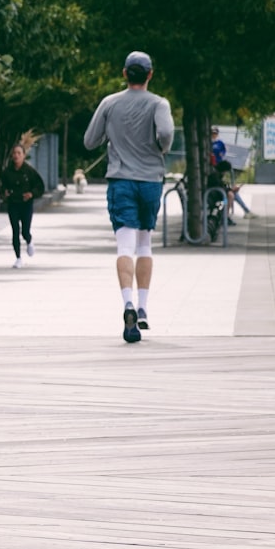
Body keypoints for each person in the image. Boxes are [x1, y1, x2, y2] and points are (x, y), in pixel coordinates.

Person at [83, 51, 174, 343]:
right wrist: (160, 148)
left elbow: (89, 141)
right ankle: (145, 307)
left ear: (124, 74)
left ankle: (128, 304)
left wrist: (112, 136)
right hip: (149, 180)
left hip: (120, 180)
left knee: (124, 244)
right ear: (150, 74)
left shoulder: (110, 103)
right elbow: (167, 132)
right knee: (145, 242)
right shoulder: (159, 104)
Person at [0, 143, 46, 268]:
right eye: (14, 153)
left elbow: (40, 187)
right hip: (13, 204)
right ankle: (18, 258)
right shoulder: (6, 172)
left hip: (26, 205)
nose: (16, 156)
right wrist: (4, 192)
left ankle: (29, 241)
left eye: (19, 153)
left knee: (25, 231)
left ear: (24, 156)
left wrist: (31, 194)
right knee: (15, 230)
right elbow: (2, 186)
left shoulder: (29, 171)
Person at [210, 128, 255, 222]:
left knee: (232, 194)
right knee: (230, 195)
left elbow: (223, 152)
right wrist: (230, 189)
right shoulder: (215, 175)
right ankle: (227, 216)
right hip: (215, 195)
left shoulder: (220, 144)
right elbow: (219, 186)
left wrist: (230, 189)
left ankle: (243, 210)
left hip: (218, 193)